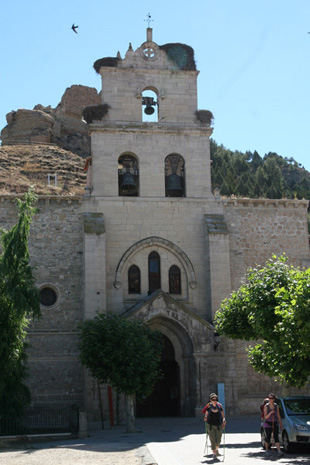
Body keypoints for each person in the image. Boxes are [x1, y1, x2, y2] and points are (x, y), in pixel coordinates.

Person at [203, 393, 226, 460]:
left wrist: (224, 420)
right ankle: (214, 453)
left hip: (218, 425)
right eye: (213, 399)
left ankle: (216, 450)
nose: (215, 400)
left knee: (218, 440)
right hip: (210, 425)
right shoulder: (209, 407)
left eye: (216, 399)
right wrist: (205, 418)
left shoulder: (219, 406)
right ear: (210, 400)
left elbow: (223, 415)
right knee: (212, 439)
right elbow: (206, 415)